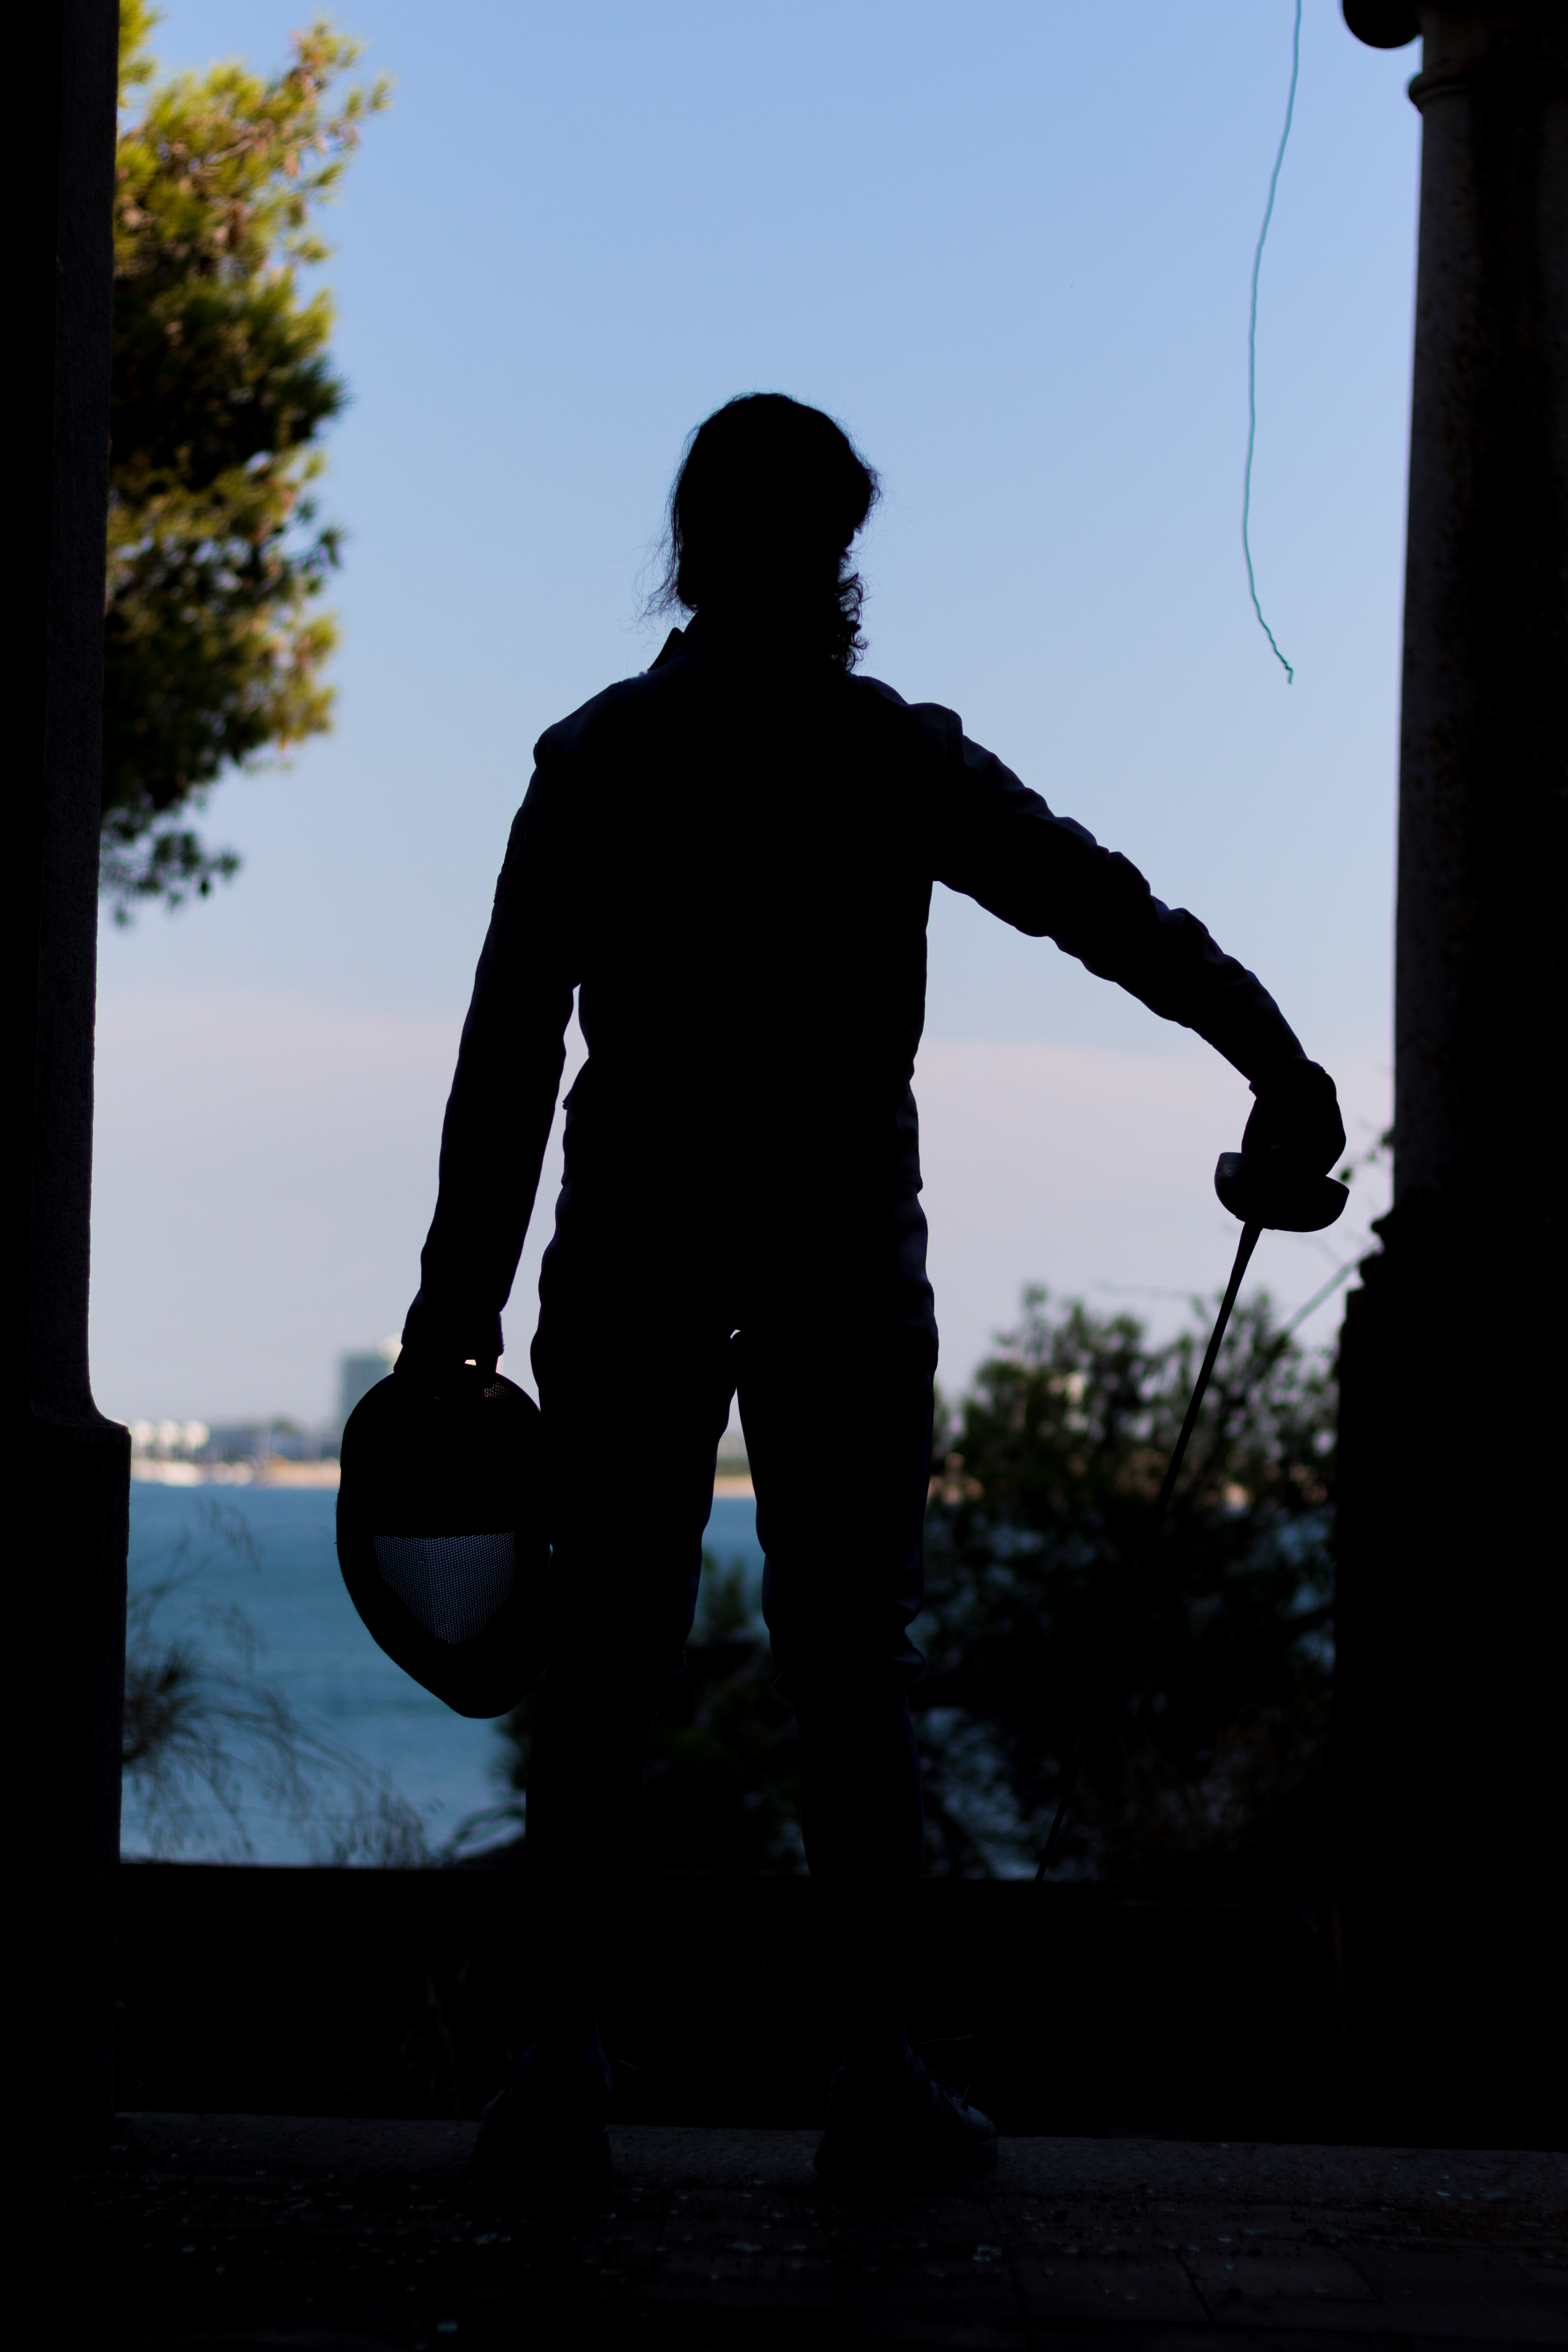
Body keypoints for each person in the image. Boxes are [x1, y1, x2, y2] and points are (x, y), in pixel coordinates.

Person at [398, 392, 1345, 2191]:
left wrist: (457, 1310)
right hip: (840, 1256)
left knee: (606, 1665)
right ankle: (876, 2073)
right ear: (837, 555)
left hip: (633, 1252)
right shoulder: (883, 755)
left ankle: (563, 2065)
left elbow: (507, 1057)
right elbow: (1103, 908)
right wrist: (1272, 1054)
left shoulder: (597, 761)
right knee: (853, 1666)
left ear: (692, 549)